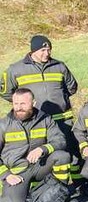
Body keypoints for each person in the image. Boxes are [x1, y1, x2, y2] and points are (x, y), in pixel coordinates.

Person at [2, 35, 79, 179]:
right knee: (42, 155)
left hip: (62, 119)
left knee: (70, 151)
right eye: (43, 50)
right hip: (37, 121)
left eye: (49, 50)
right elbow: (6, 92)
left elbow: (72, 87)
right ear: (33, 51)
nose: (47, 53)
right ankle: (48, 185)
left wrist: (60, 99)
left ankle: (79, 183)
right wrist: (24, 104)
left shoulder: (60, 66)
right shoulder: (15, 69)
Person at [0, 88, 72, 202]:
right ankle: (41, 200)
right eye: (16, 103)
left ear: (33, 103)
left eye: (23, 104)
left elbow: (60, 141)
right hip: (17, 173)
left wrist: (42, 149)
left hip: (41, 166)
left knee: (62, 156)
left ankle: (60, 196)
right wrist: (6, 175)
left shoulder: (45, 119)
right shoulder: (3, 125)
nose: (19, 108)